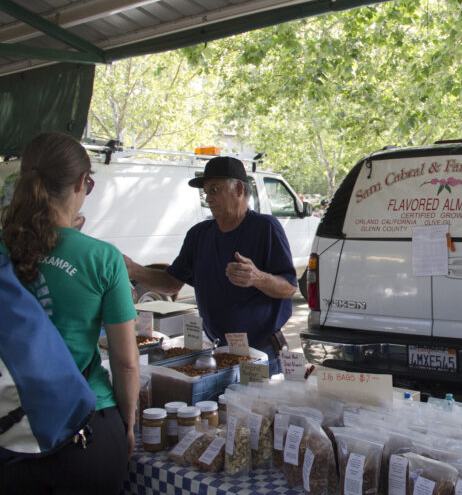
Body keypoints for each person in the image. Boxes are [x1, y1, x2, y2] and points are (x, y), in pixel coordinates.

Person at [0, 132, 139, 493]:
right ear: (81, 182)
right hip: (86, 427)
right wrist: (128, 422)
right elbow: (126, 362)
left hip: (10, 428)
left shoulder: (4, 248)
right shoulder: (102, 257)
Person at [123, 156, 297, 374]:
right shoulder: (199, 235)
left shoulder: (265, 228)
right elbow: (171, 284)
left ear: (239, 189)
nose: (207, 198)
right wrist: (133, 269)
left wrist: (257, 277)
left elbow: (289, 288)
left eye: (214, 189)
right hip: (218, 351)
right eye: (205, 192)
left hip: (260, 353)